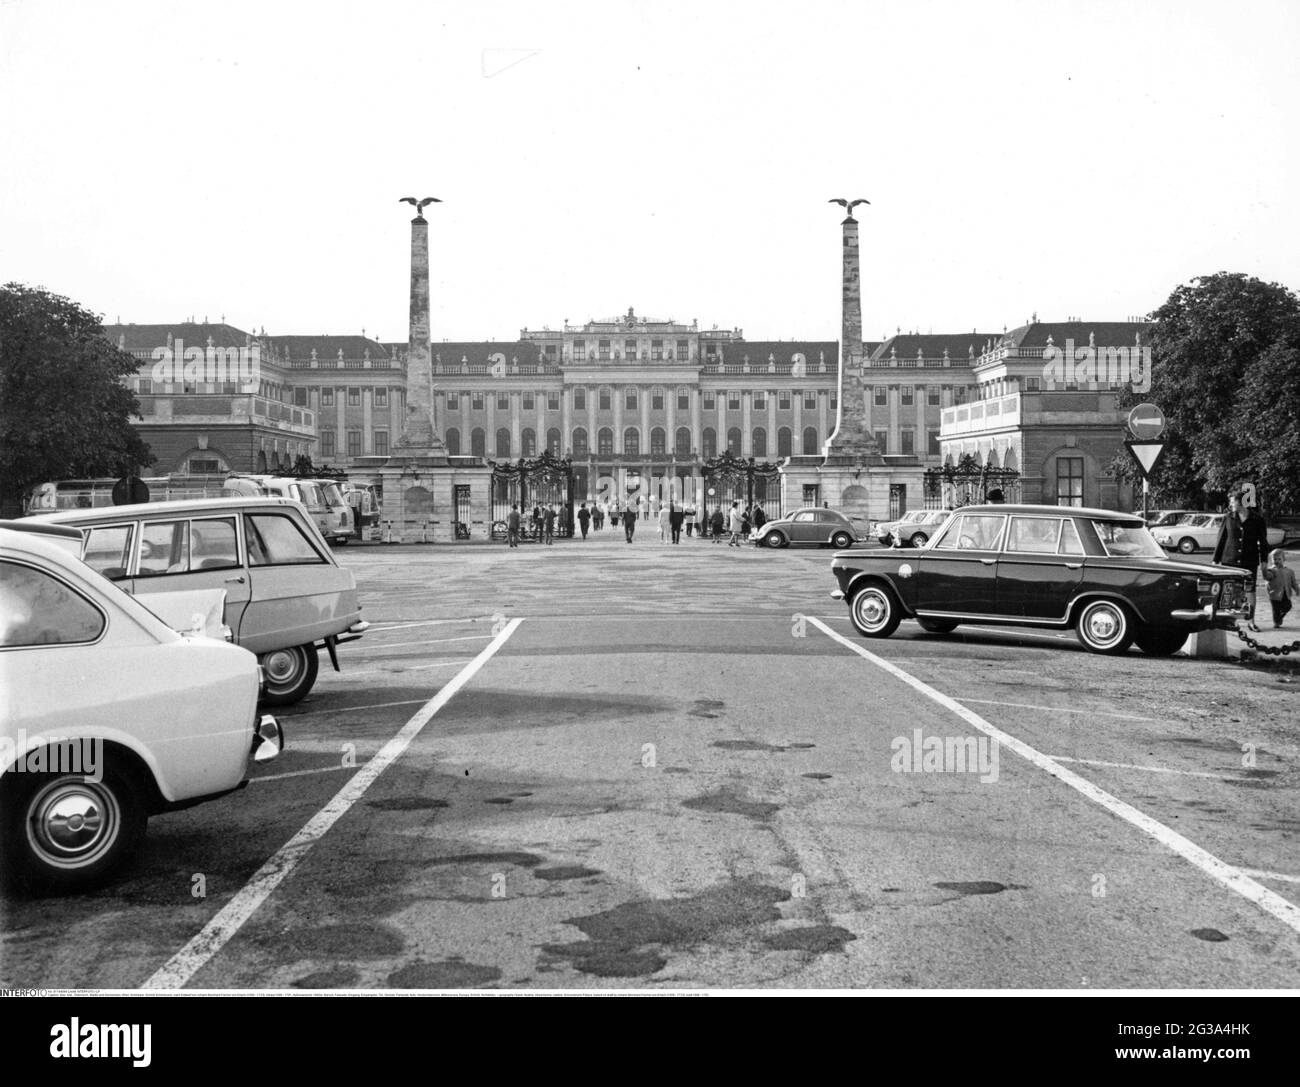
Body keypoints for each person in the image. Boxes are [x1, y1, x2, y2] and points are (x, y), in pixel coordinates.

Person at [1214, 491, 1269, 631]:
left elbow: (1263, 542)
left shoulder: (1257, 519)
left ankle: (1251, 621)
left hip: (1249, 561)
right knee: (1229, 589)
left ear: (1243, 502)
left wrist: (1264, 561)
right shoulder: (1228, 518)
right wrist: (1215, 560)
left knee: (1250, 590)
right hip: (1229, 561)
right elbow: (1221, 540)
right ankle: (1230, 621)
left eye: (1233, 501)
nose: (1230, 504)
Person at [1264, 549, 1298, 629]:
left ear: (1284, 560)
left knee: (1288, 606)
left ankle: (1281, 614)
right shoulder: (1271, 570)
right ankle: (1277, 622)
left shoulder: (1289, 571)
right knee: (1275, 609)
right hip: (1274, 594)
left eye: (1279, 559)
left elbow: (1293, 582)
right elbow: (1268, 577)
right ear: (1271, 560)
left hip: (1285, 593)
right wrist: (1264, 570)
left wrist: (1297, 589)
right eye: (1274, 559)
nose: (1277, 561)